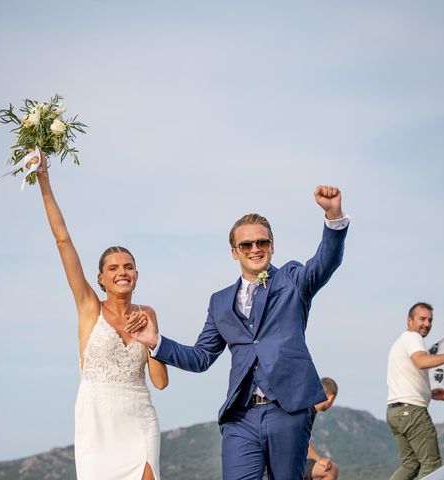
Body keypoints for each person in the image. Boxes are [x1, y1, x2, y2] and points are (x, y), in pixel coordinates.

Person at [132, 185, 350, 480]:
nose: (255, 249)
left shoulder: (293, 280)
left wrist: (333, 216)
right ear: (235, 253)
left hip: (287, 411)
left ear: (272, 246)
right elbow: (201, 357)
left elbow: (325, 262)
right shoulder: (220, 302)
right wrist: (155, 341)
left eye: (262, 242)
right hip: (241, 417)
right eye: (246, 245)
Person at [31, 153, 168, 480]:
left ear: (137, 274)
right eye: (113, 268)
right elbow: (62, 240)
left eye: (128, 267)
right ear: (101, 279)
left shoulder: (147, 313)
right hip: (97, 423)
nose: (122, 272)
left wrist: (151, 340)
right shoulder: (89, 307)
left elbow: (160, 383)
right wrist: (44, 181)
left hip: (140, 419)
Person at [386, 302, 444, 480]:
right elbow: (421, 361)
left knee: (410, 465)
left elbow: (405, 377)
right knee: (433, 467)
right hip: (412, 412)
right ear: (409, 320)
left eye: (430, 320)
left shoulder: (400, 342)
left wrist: (429, 393)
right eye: (422, 319)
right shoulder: (413, 338)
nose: (427, 324)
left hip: (395, 412)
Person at [304, 377, 339, 480]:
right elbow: (301, 439)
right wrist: (319, 459)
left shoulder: (308, 408)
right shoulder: (307, 411)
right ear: (331, 398)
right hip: (284, 464)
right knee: (331, 469)